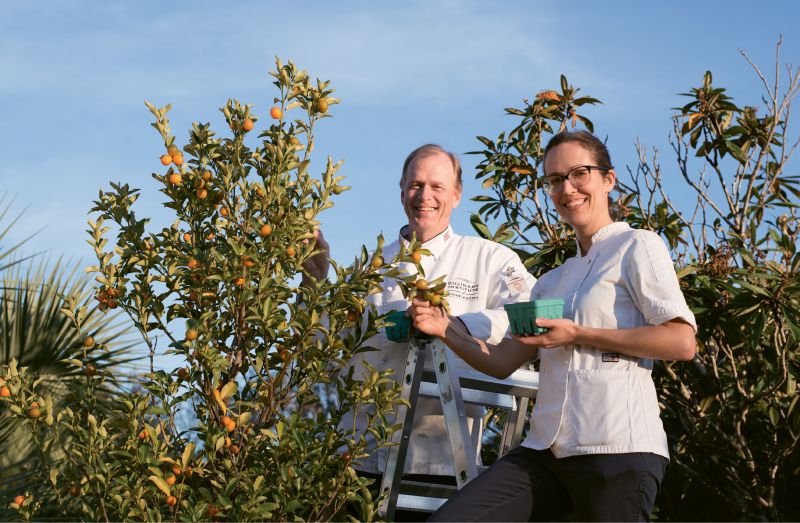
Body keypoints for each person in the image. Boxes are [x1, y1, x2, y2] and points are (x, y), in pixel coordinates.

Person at [410, 131, 697, 522]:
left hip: (618, 450)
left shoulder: (637, 246)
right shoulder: (549, 282)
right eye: (555, 179)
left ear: (608, 180)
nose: (567, 188)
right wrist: (445, 328)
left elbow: (681, 342)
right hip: (547, 452)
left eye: (579, 173)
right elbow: (502, 361)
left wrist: (578, 334)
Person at [303, 144, 536, 506]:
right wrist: (313, 283)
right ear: (401, 191)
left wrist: (452, 324)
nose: (424, 196)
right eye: (415, 185)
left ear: (457, 195)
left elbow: (528, 316)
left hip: (444, 465)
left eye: (437, 187)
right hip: (359, 461)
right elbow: (323, 350)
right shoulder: (371, 268)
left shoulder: (489, 259)